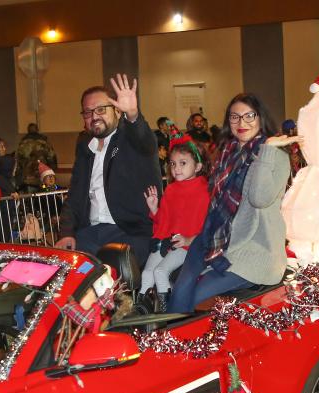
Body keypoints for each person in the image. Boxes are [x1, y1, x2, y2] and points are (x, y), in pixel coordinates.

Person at [167, 93, 298, 313]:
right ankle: (167, 343)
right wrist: (195, 236)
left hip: (254, 248)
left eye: (249, 116)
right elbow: (216, 205)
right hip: (216, 238)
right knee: (181, 288)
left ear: (260, 118)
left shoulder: (275, 155)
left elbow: (259, 198)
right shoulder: (228, 151)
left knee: (197, 295)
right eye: (234, 117)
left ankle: (182, 342)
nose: (242, 123)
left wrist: (265, 150)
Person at [54, 74, 160, 266]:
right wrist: (66, 233)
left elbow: (145, 141)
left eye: (101, 109)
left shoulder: (130, 140)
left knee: (109, 283)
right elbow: (75, 196)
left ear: (117, 111)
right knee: (68, 274)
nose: (94, 116)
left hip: (129, 231)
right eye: (88, 112)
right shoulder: (86, 148)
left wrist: (133, 114)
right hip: (90, 233)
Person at [139, 135, 209, 312]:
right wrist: (154, 209)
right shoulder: (170, 189)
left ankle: (167, 312)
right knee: (147, 273)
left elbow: (206, 226)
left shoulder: (204, 192)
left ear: (198, 166)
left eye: (183, 163)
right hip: (166, 241)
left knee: (160, 272)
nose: (176, 168)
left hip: (186, 245)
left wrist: (188, 239)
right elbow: (164, 221)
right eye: (173, 164)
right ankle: (141, 310)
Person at [15, 123, 58, 191]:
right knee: (45, 197)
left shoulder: (22, 144)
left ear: (28, 131)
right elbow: (52, 158)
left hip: (28, 178)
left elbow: (18, 161)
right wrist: (52, 172)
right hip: (44, 176)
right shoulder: (45, 143)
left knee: (30, 199)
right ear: (37, 130)